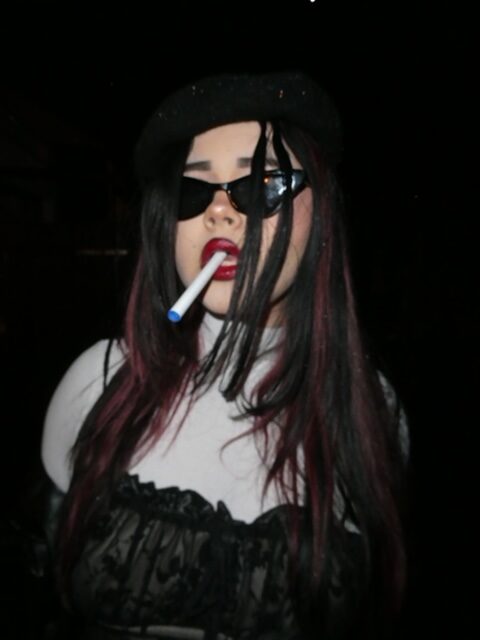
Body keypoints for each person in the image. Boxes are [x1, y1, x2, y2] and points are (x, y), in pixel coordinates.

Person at [41, 71, 409, 640]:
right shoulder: (100, 382)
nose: (218, 212)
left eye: (261, 184)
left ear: (321, 211)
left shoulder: (373, 412)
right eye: (194, 189)